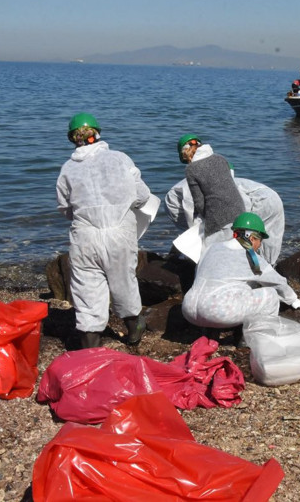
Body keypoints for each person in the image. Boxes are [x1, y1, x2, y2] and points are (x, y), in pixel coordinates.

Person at [56, 113, 150, 349]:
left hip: (84, 235)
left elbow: (65, 208)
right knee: (123, 282)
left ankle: (91, 347)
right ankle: (134, 331)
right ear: (97, 134)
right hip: (118, 231)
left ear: (72, 138)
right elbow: (142, 195)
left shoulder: (67, 169)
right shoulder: (119, 159)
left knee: (87, 290)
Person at [182, 212, 300, 334]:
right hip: (217, 313)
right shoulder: (251, 257)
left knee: (238, 287)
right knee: (271, 294)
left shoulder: (211, 248)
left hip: (189, 309)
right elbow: (277, 283)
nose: (259, 245)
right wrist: (293, 300)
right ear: (252, 238)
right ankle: (259, 336)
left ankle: (209, 332)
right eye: (260, 240)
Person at [165, 175, 286, 265]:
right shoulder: (214, 183)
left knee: (231, 240)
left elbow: (197, 227)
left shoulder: (183, 194)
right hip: (273, 198)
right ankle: (266, 268)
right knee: (267, 241)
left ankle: (254, 270)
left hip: (261, 201)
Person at [178, 133, 245, 252]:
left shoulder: (191, 170)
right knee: (239, 247)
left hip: (218, 216)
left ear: (186, 154)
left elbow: (199, 203)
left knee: (210, 252)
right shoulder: (220, 158)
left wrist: (205, 218)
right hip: (240, 209)